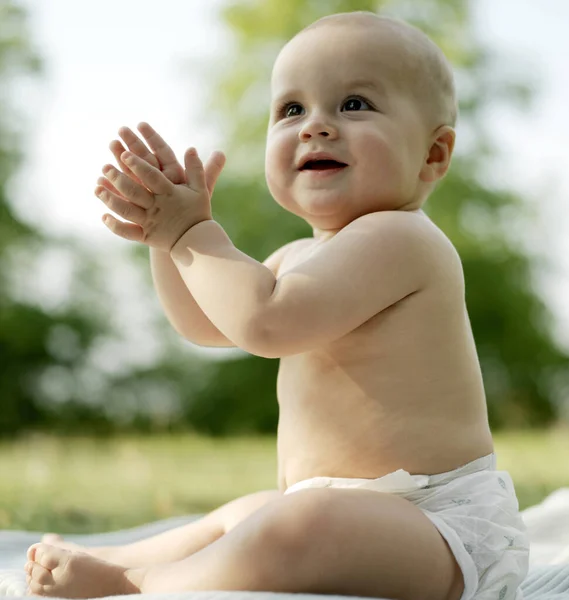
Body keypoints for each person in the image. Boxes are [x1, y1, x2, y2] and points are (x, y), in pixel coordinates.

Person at [24, 10, 529, 600]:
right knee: (244, 517)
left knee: (296, 525)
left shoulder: (403, 239)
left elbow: (264, 322)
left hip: (437, 527)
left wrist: (195, 237)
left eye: (355, 104)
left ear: (433, 154)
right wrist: (170, 246)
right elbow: (210, 326)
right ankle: (108, 556)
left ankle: (136, 582)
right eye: (292, 110)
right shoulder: (295, 256)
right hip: (343, 513)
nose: (315, 126)